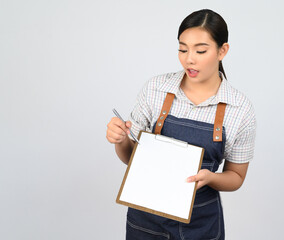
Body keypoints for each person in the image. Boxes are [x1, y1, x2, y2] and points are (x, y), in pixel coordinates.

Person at [106, 9, 256, 240]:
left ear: (222, 50)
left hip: (201, 226)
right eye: (182, 49)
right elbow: (129, 157)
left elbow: (236, 176)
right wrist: (121, 139)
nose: (189, 59)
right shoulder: (156, 89)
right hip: (146, 222)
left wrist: (210, 178)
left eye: (201, 50)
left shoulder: (240, 108)